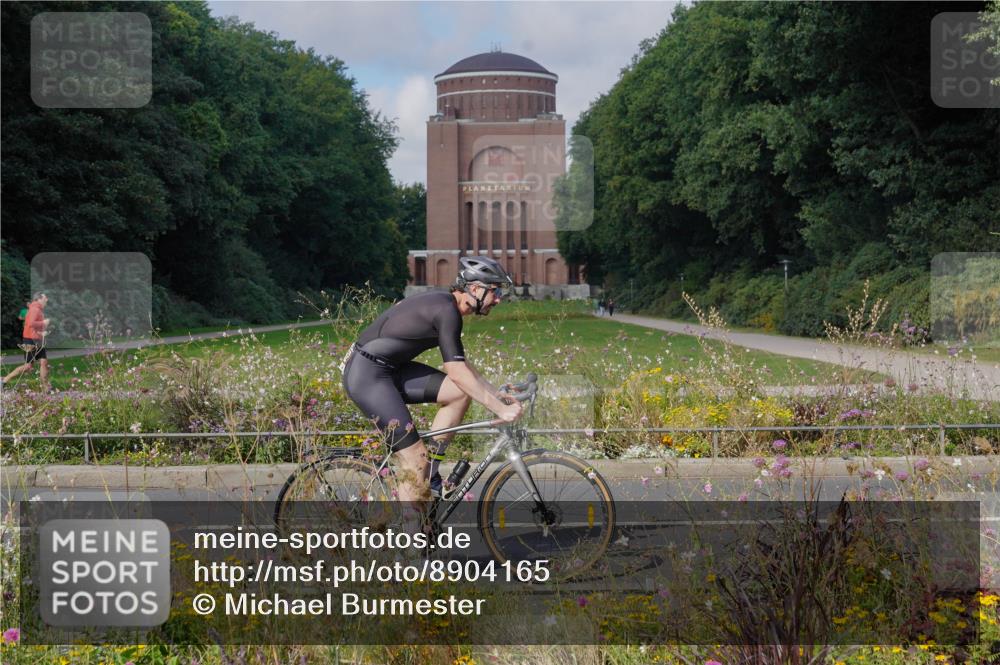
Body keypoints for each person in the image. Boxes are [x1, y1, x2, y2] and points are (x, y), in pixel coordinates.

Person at [341, 256, 523, 502]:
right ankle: (411, 536)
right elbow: (458, 374)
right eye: (495, 291)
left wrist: (495, 394)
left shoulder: (446, 307)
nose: (498, 298)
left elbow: (462, 365)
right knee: (415, 458)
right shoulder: (446, 310)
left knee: (458, 394)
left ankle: (431, 473)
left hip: (389, 370)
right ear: (476, 289)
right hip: (368, 376)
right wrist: (500, 409)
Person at [3, 293, 51, 390]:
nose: (47, 299)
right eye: (45, 298)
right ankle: (4, 380)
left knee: (44, 362)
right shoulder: (34, 309)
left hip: (37, 339)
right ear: (39, 299)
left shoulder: (37, 309)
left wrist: (43, 330)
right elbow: (30, 323)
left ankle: (46, 388)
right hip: (30, 339)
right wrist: (43, 322)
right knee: (28, 366)